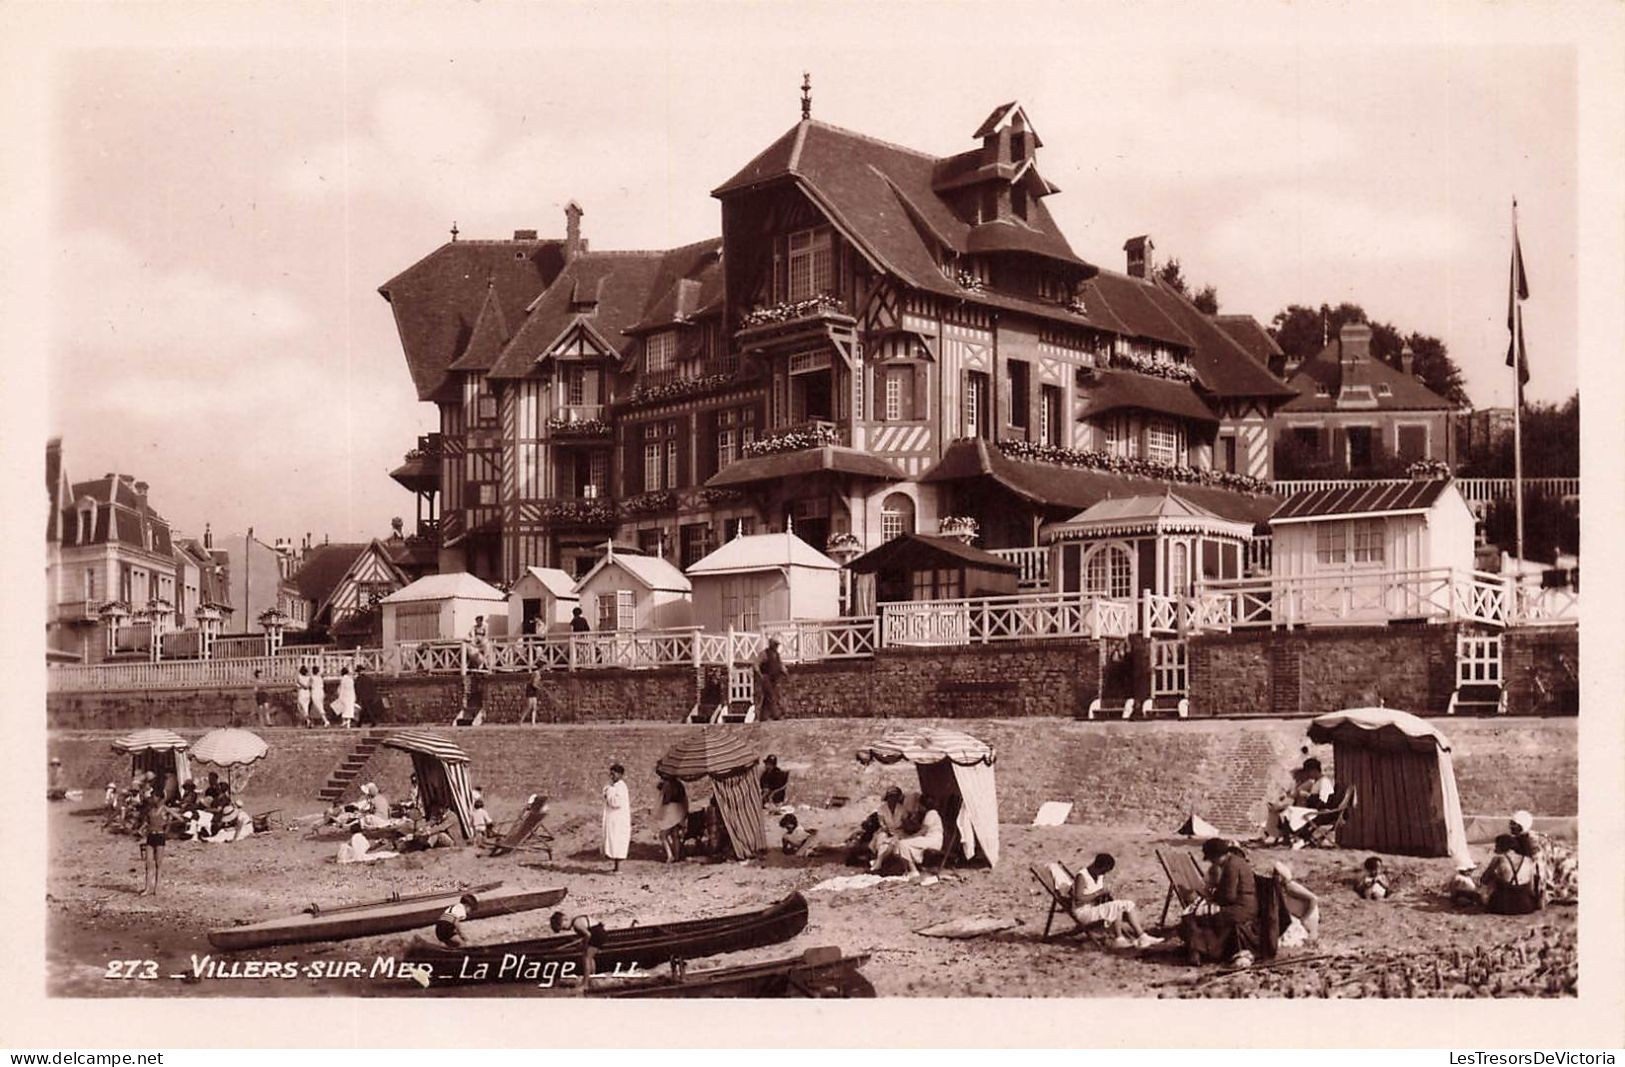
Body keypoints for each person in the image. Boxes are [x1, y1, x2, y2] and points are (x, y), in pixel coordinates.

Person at [1181, 837, 1260, 968]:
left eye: (1212, 859)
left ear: (1216, 856)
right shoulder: (1236, 862)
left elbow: (1229, 896)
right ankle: (1204, 949)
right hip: (1246, 905)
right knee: (1204, 914)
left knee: (1195, 918)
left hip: (1240, 909)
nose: (1212, 862)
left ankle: (1203, 951)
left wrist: (1212, 898)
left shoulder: (1231, 866)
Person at [1061, 853, 1162, 949]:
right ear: (1097, 866)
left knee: (1128, 904)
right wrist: (1097, 894)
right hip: (1083, 912)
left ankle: (1142, 936)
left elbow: (1097, 895)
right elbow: (1078, 899)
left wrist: (1104, 895)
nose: (1104, 874)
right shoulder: (1082, 876)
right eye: (1103, 871)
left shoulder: (1099, 875)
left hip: (1094, 908)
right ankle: (1119, 939)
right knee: (1116, 906)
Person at [875, 794, 943, 878]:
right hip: (928, 839)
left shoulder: (932, 813)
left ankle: (913, 870)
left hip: (933, 840)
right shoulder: (928, 814)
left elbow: (922, 831)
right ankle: (907, 869)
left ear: (923, 805)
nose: (918, 807)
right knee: (902, 843)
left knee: (903, 843)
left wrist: (909, 838)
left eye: (919, 805)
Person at [1275, 758, 1335, 848]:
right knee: (1288, 811)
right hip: (1313, 810)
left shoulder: (1324, 782)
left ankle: (1292, 839)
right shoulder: (1316, 782)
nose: (1308, 774)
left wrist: (1308, 796)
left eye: (1309, 772)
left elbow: (1323, 802)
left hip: (1321, 812)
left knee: (1290, 812)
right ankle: (1288, 838)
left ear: (1314, 771)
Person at [549, 911, 606, 991]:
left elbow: (588, 935)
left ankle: (585, 985)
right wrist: (583, 944)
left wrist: (584, 944)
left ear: (565, 919)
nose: (566, 930)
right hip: (599, 932)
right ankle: (592, 979)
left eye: (564, 928)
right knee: (590, 957)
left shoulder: (577, 923)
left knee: (586, 958)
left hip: (596, 933)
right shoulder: (576, 922)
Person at [1273, 861, 1321, 946]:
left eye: (1276, 875)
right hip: (1298, 915)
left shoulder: (1290, 887)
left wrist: (1304, 918)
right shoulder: (1281, 889)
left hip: (1308, 914)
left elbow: (1313, 899)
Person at [137, 793, 171, 896]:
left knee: (158, 864)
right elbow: (146, 822)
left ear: (159, 798)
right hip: (151, 836)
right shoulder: (150, 810)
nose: (153, 798)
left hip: (160, 836)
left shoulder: (164, 810)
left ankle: (157, 887)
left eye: (154, 796)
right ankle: (147, 887)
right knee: (148, 862)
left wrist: (166, 830)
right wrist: (141, 829)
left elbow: (172, 820)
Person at [601, 763, 630, 873]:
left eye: (614, 774)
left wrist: (608, 792)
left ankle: (618, 868)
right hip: (614, 818)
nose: (612, 776)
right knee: (614, 841)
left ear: (620, 774)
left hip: (619, 820)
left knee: (617, 841)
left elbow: (615, 802)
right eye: (611, 774)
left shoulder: (621, 787)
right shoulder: (615, 786)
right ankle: (615, 867)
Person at [657, 775, 688, 863]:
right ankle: (677, 855)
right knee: (675, 834)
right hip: (680, 809)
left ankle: (670, 855)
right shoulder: (680, 785)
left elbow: (666, 800)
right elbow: (684, 799)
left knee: (663, 835)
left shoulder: (667, 785)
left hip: (670, 810)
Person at [758, 637, 788, 720]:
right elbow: (756, 664)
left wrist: (785, 672)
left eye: (777, 645)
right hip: (766, 678)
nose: (776, 647)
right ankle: (775, 715)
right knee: (771, 696)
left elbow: (781, 666)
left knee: (767, 698)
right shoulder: (764, 653)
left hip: (775, 679)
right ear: (771, 644)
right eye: (775, 645)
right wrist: (760, 675)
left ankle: (763, 716)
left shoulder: (777, 655)